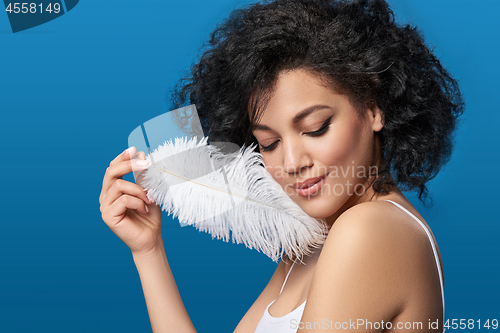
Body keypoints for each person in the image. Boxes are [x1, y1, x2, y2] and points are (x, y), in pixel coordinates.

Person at [99, 0, 463, 331]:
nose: (291, 163)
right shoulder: (310, 242)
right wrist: (149, 252)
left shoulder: (371, 230)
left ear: (373, 109)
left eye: (315, 128)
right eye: (269, 143)